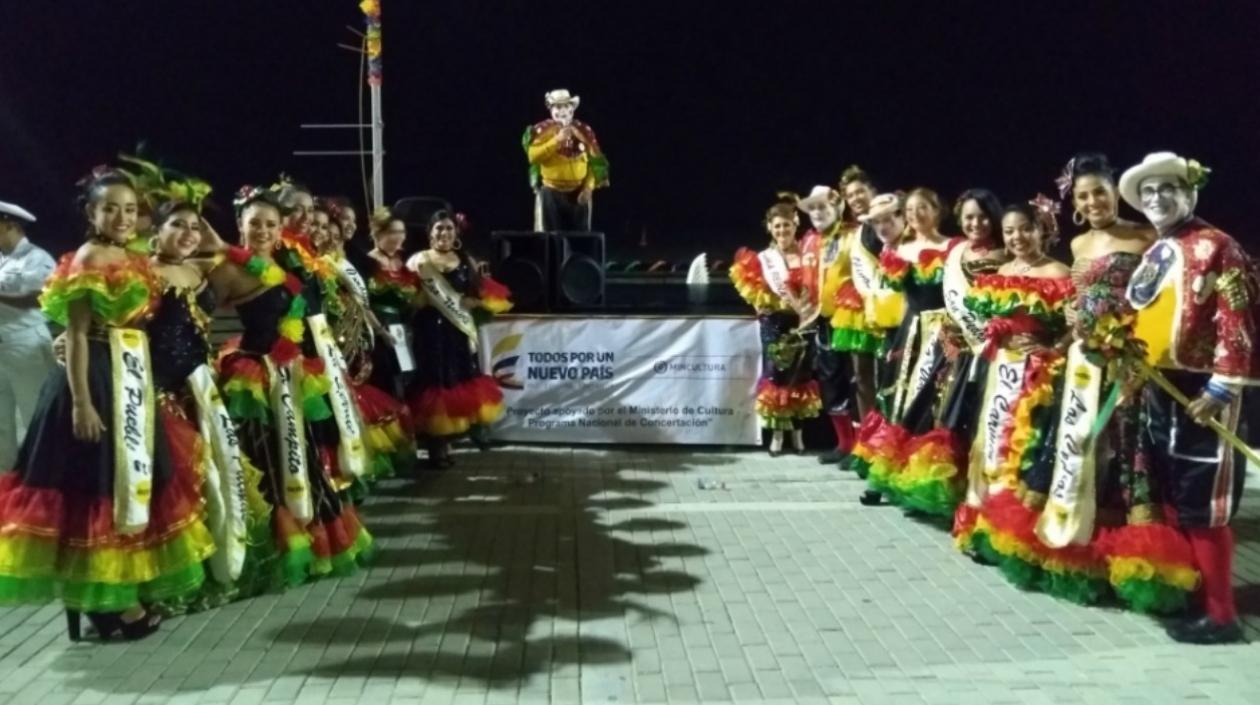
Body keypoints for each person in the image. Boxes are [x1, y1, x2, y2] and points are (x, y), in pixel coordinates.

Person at [0, 169, 214, 641]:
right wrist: (81, 404)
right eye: (110, 208)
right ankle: (105, 603)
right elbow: (75, 335)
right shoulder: (90, 256)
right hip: (95, 378)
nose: (121, 217)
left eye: (131, 209)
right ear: (91, 213)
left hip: (129, 377)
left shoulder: (133, 256)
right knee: (92, 491)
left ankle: (118, 595)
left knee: (124, 485)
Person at [1035, 153, 1197, 615]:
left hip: (1127, 363)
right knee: (1085, 451)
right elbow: (1079, 296)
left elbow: (1157, 298)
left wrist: (1137, 363)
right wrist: (1069, 321)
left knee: (1130, 451)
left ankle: (1139, 559)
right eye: (1083, 196)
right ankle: (1084, 549)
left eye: (1099, 192)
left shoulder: (1145, 236)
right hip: (1084, 363)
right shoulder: (1078, 244)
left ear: (1113, 192)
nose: (1092, 201)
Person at [1121, 152, 1257, 644]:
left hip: (1203, 389)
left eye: (1167, 190)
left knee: (1207, 501)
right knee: (1175, 495)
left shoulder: (1219, 246)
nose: (1157, 199)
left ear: (1189, 193)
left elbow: (1236, 320)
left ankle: (1222, 615)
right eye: (1149, 193)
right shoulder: (1156, 251)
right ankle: (1193, 598)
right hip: (1161, 386)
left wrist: (1223, 386)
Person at [210, 186, 374, 586]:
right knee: (264, 464)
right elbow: (193, 313)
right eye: (255, 224)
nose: (263, 230)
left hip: (292, 371)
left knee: (304, 460)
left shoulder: (286, 259)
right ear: (240, 226)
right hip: (254, 377)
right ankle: (270, 552)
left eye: (271, 223)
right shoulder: (227, 266)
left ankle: (312, 539)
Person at [955, 198, 1110, 602]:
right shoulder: (1000, 272)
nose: (1017, 237)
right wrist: (997, 332)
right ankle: (990, 527)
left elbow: (1072, 328)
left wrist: (1050, 348)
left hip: (1040, 376)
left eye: (1025, 228)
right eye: (1009, 231)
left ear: (1042, 230)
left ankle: (1024, 537)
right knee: (993, 449)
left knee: (1027, 452)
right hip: (1002, 372)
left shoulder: (1058, 273)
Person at [898, 189, 1008, 518]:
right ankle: (943, 490)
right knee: (946, 415)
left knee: (979, 420)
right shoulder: (956, 250)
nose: (976, 223)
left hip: (991, 351)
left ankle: (976, 494)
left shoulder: (1005, 254)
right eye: (969, 217)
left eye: (982, 216)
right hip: (956, 349)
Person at [856, 189, 959, 508]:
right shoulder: (898, 249)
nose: (916, 215)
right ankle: (883, 476)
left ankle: (921, 479)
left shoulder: (954, 247)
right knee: (896, 400)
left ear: (937, 210)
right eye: (910, 210)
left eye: (922, 208)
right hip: (909, 334)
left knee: (931, 405)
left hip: (942, 335)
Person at [406, 210, 507, 467]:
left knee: (456, 380)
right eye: (439, 228)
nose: (444, 233)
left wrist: (474, 302)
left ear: (456, 233)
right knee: (434, 380)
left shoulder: (465, 260)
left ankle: (450, 442)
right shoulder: (418, 261)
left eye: (449, 228)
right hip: (429, 331)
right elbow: (405, 296)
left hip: (457, 331)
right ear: (430, 232)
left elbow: (481, 292)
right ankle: (435, 447)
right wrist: (419, 299)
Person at [730, 200, 822, 455]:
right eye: (777, 226)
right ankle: (778, 435)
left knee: (803, 376)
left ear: (796, 225)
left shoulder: (809, 255)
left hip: (804, 321)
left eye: (787, 225)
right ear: (770, 228)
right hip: (776, 324)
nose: (783, 230)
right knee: (777, 376)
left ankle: (799, 435)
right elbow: (758, 297)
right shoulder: (764, 260)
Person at [796, 186, 857, 464]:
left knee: (859, 383)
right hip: (821, 321)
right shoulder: (808, 239)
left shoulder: (852, 236)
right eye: (813, 208)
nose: (818, 213)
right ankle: (844, 445)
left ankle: (864, 449)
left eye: (823, 207)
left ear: (837, 208)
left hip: (854, 320)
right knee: (830, 382)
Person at [0, 200, 56, 470]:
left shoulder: (38, 258)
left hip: (27, 345)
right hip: (2, 349)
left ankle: (41, 483)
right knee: (2, 424)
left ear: (10, 225)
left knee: (36, 415)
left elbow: (40, 298)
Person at [832, 166, 884, 429]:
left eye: (860, 192)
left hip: (887, 308)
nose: (855, 199)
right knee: (862, 378)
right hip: (859, 309)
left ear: (872, 191)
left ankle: (890, 434)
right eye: (850, 196)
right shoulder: (853, 230)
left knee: (887, 376)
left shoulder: (886, 222)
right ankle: (868, 435)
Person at [523, 89, 610, 231]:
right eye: (558, 106)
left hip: (579, 192)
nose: (562, 110)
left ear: (572, 108)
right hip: (551, 192)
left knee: (580, 239)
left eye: (566, 106)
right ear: (551, 109)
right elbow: (533, 157)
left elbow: (595, 162)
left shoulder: (584, 130)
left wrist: (588, 187)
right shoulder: (541, 130)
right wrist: (556, 140)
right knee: (550, 237)